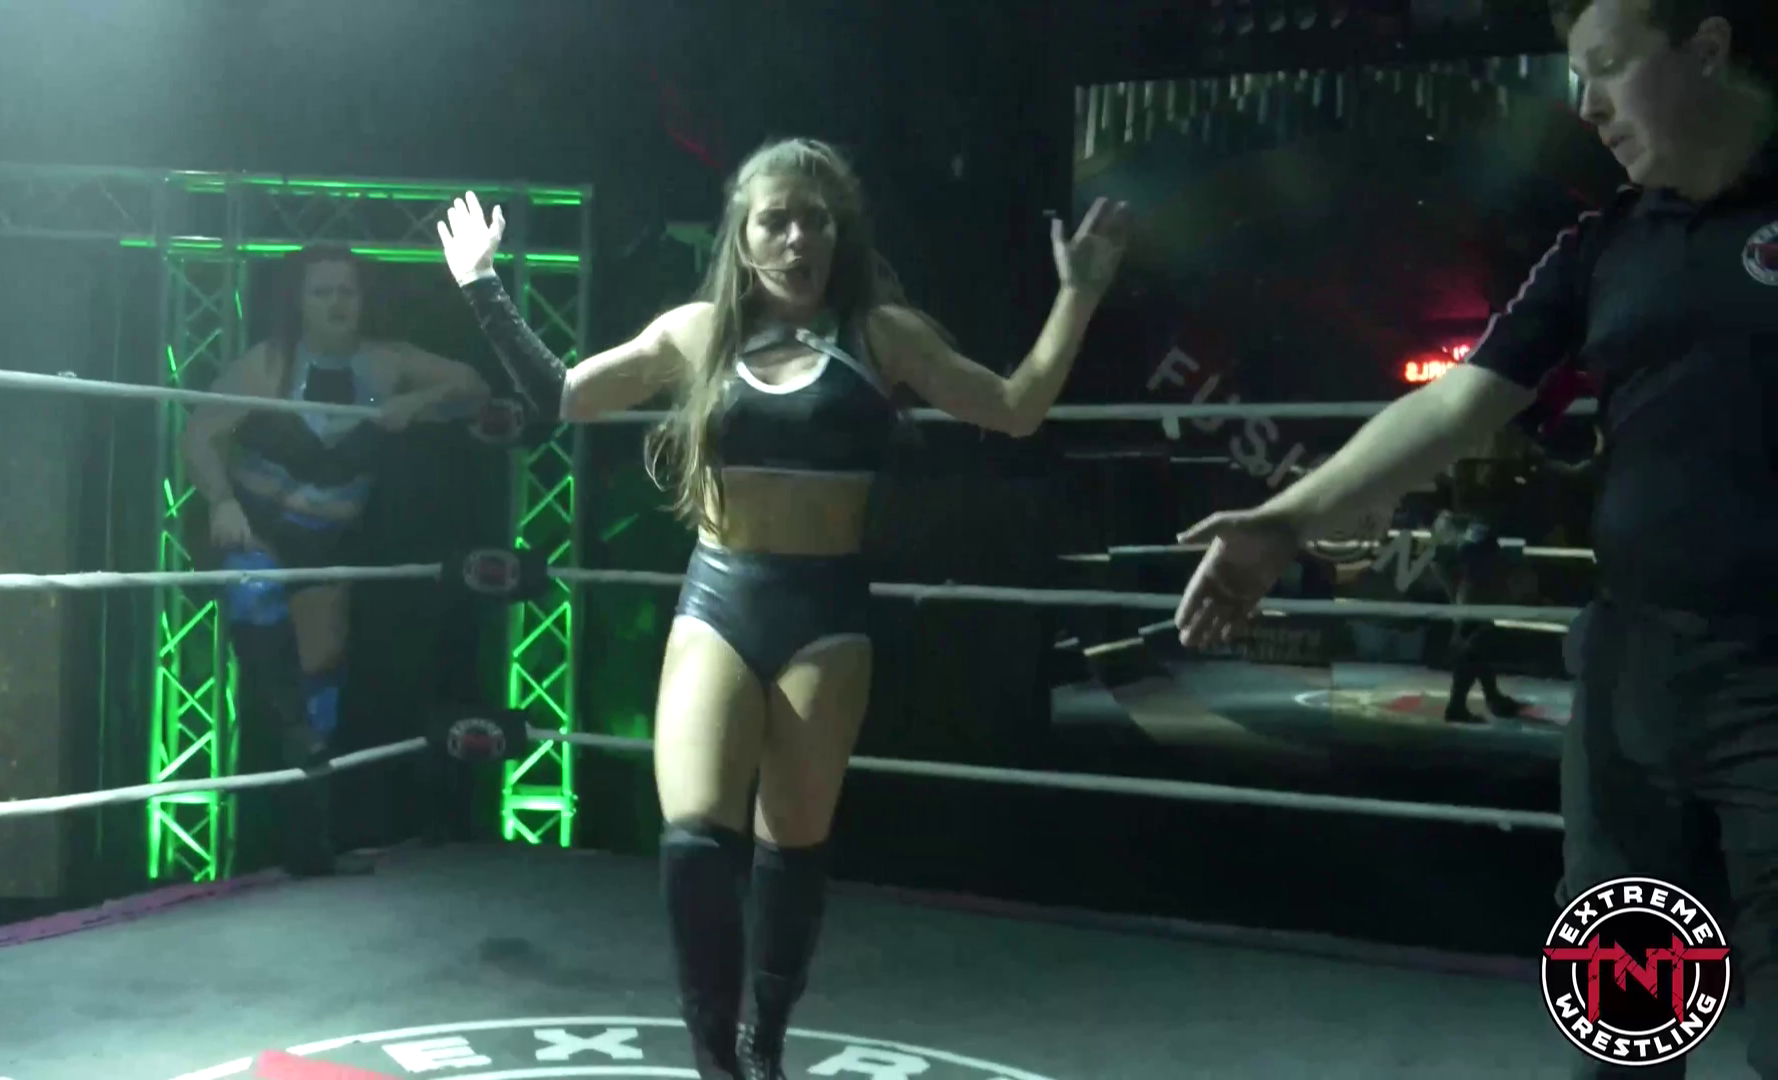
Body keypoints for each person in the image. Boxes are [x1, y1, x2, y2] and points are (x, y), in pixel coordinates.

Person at [436, 137, 1129, 1079]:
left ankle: (763, 1039)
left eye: (816, 221)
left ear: (840, 235)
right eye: (777, 221)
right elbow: (563, 395)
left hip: (824, 612)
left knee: (791, 848)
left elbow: (1014, 407)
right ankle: (715, 1059)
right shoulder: (696, 333)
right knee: (692, 838)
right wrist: (481, 284)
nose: (798, 239)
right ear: (743, 234)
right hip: (721, 595)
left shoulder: (882, 335)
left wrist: (1078, 294)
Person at [1172, 2, 1777, 1075]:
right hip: (1630, 681)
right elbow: (1453, 406)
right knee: (1624, 1031)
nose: (1586, 106)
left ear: (1707, 47)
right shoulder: (1604, 245)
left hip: (1772, 686)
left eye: (1608, 66)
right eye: (1575, 76)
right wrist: (1285, 519)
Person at [183, 246, 492, 877]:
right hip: (256, 528)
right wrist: (220, 500)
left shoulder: (387, 362)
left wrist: (417, 404)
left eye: (345, 291)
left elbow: (473, 386)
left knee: (320, 683)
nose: (335, 303)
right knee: (255, 588)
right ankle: (292, 747)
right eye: (321, 292)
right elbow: (197, 436)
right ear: (300, 301)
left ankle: (310, 846)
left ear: (362, 298)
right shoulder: (267, 365)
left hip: (327, 541)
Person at [1430, 429, 1534, 723]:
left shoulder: (1462, 438)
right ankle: (1457, 704)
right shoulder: (1487, 448)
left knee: (1475, 623)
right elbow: (1473, 493)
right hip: (1468, 537)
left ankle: (1491, 696)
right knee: (1474, 629)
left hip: (1451, 533)